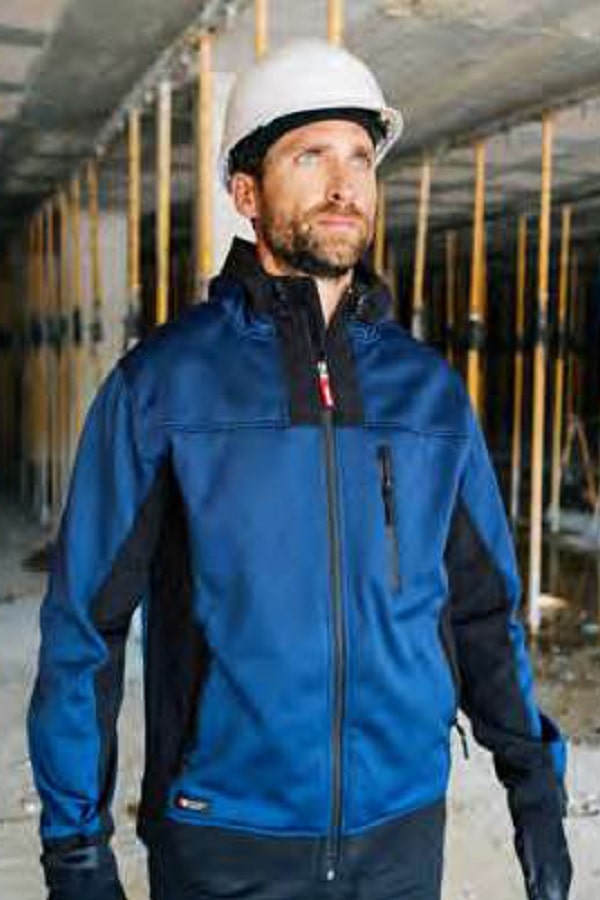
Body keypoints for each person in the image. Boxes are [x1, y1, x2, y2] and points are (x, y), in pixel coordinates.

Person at [28, 38, 572, 900]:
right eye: (309, 155)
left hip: (400, 835)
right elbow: (84, 632)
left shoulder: (428, 393)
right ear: (246, 193)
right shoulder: (163, 386)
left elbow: (481, 609)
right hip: (225, 838)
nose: (343, 183)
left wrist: (533, 784)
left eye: (359, 157)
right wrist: (75, 849)